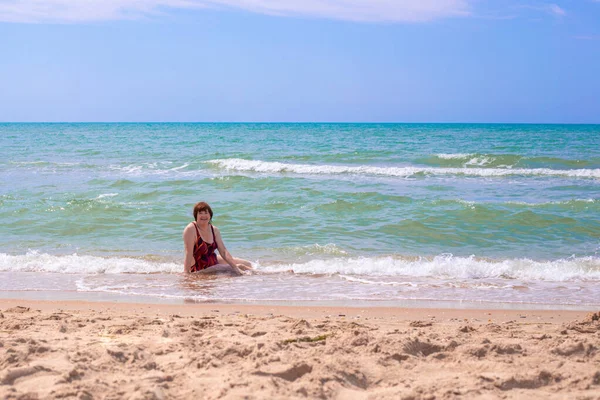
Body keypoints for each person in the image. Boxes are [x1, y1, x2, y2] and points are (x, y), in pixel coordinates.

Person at [183, 202, 253, 275]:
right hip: (200, 266)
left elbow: (223, 251)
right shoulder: (191, 229)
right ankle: (263, 274)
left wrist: (234, 266)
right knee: (241, 267)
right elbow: (188, 253)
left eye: (206, 213)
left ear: (210, 215)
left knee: (247, 263)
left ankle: (258, 276)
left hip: (213, 260)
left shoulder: (214, 230)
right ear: (195, 215)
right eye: (200, 213)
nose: (204, 215)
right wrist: (186, 273)